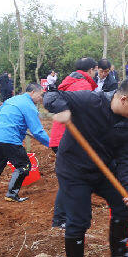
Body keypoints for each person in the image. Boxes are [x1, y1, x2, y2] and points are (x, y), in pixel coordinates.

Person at [43, 77, 128, 257]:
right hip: (74, 171)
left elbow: (126, 159)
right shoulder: (90, 101)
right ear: (123, 99)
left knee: (123, 204)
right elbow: (51, 95)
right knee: (79, 220)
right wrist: (61, 110)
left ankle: (119, 255)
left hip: (103, 171)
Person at [47, 57, 99, 228]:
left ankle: (62, 217)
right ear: (92, 70)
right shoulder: (82, 85)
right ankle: (61, 219)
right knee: (72, 179)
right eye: (96, 70)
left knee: (70, 178)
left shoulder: (71, 82)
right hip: (69, 138)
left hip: (61, 137)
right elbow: (83, 116)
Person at [0, 83, 50, 202]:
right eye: (41, 95)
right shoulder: (29, 106)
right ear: (32, 92)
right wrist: (52, 144)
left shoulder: (12, 99)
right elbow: (37, 131)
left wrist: (13, 124)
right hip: (10, 139)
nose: (41, 98)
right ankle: (11, 194)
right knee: (24, 165)